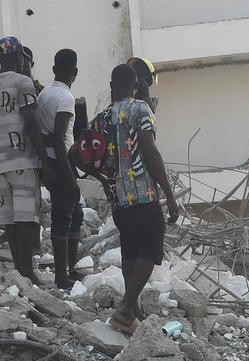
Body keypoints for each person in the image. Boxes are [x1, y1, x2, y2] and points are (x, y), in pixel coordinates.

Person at [89, 63, 179, 334]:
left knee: (131, 249)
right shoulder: (141, 109)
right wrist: (170, 195)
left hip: (119, 199)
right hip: (142, 193)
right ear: (137, 85)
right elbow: (150, 151)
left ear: (111, 86)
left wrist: (104, 181)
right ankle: (125, 308)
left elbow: (79, 154)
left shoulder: (102, 117)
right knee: (151, 247)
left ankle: (133, 310)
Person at [0, 36, 48, 284]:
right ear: (17, 56)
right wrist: (43, 155)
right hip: (24, 159)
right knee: (26, 218)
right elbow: (30, 118)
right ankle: (28, 273)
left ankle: (19, 270)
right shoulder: (23, 83)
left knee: (10, 220)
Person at [37, 49, 85, 290]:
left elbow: (44, 135)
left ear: (54, 69)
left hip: (51, 161)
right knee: (64, 217)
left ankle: (71, 268)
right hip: (62, 163)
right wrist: (70, 178)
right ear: (74, 72)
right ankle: (61, 275)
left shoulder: (45, 93)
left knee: (75, 214)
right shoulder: (65, 98)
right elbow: (58, 137)